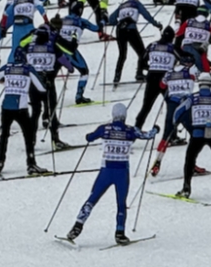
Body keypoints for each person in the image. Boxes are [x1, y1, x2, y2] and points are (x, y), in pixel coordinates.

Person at [65, 103, 157, 245]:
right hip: (122, 172)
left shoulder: (105, 128)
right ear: (124, 116)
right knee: (121, 203)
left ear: (113, 115)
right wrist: (156, 129)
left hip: (106, 171)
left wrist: (88, 136)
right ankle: (120, 233)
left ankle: (77, 226)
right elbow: (148, 135)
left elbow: (89, 137)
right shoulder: (130, 130)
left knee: (92, 198)